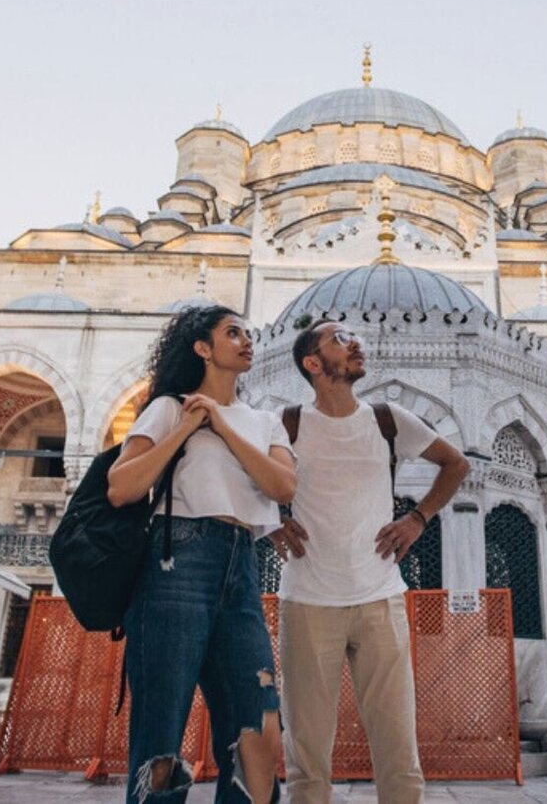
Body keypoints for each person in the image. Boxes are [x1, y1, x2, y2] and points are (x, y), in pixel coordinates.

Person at [270, 320, 470, 804]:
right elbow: (245, 477)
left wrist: (418, 518)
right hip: (308, 603)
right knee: (307, 756)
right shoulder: (289, 423)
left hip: (380, 599)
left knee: (399, 751)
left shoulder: (387, 419)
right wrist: (272, 520)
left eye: (353, 335)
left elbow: (456, 463)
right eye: (339, 338)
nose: (355, 341)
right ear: (313, 365)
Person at [108, 304, 297, 804]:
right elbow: (122, 487)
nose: (246, 341)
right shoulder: (170, 408)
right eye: (232, 333)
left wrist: (222, 424)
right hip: (178, 564)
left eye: (247, 333)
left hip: (243, 568)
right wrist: (188, 427)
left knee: (257, 724)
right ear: (202, 348)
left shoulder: (264, 421)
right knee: (162, 730)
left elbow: (281, 486)